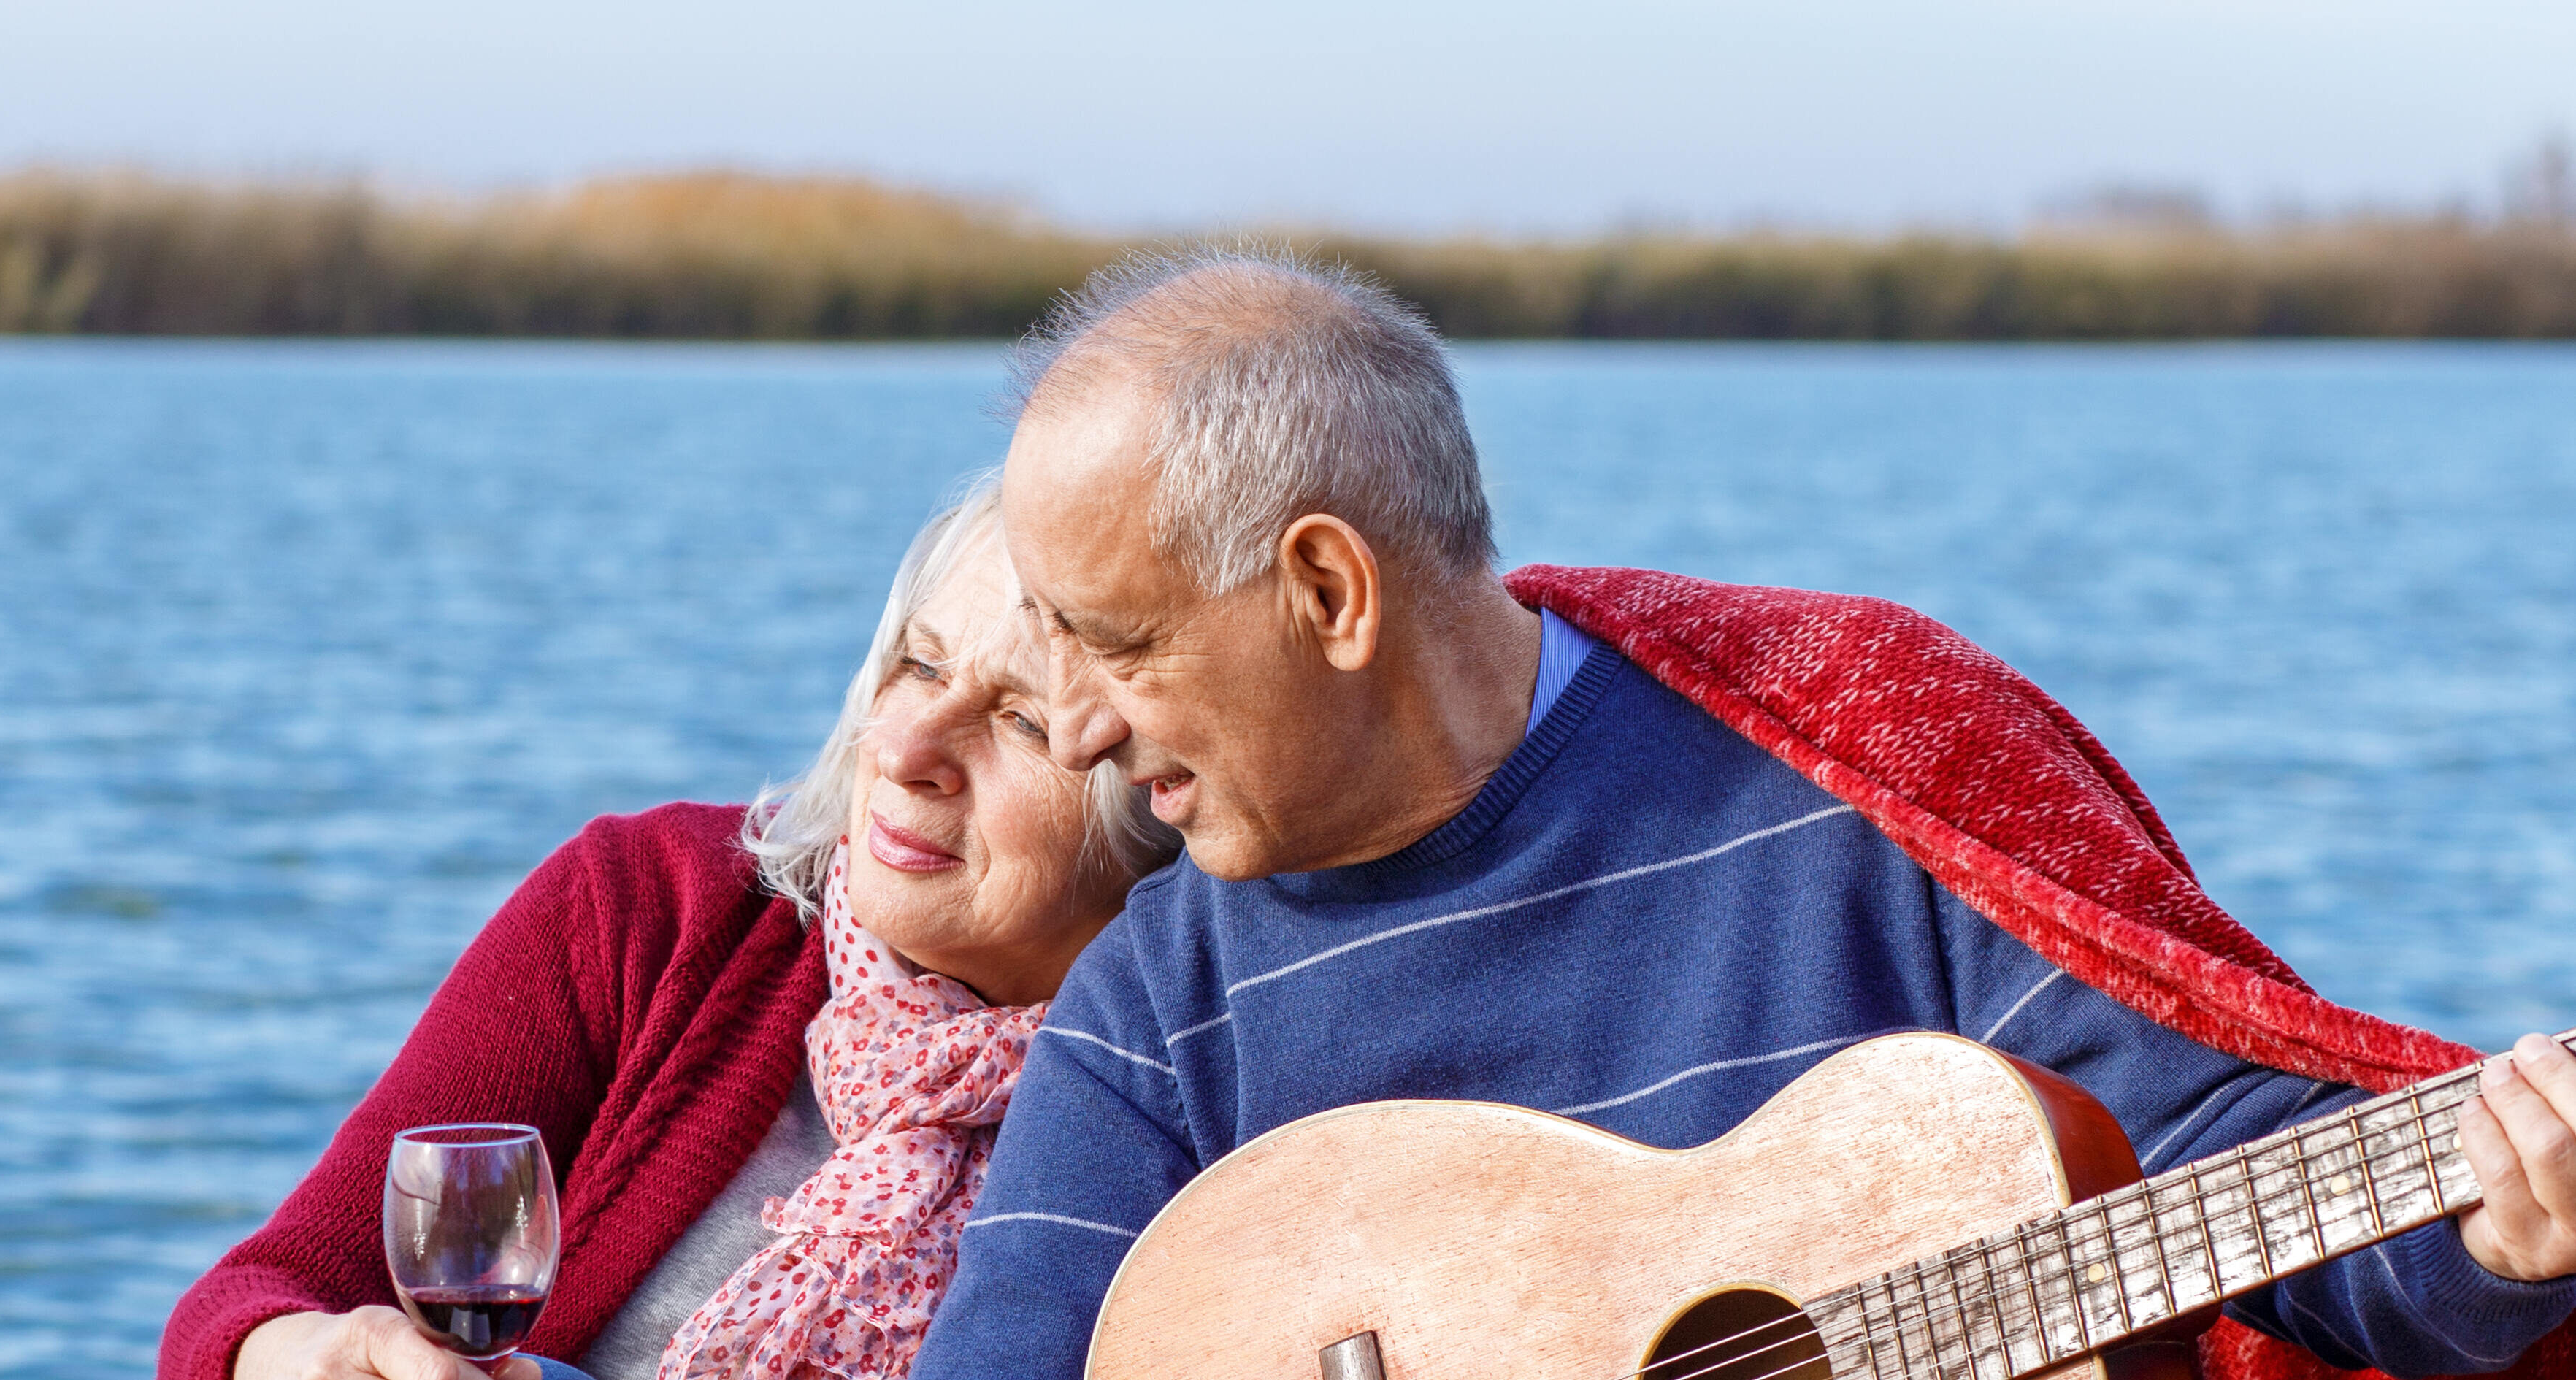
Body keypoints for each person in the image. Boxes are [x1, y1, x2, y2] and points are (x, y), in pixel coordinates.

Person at [910, 248, 2576, 1380]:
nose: (1071, 729)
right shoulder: (1161, 1004)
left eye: (1116, 646)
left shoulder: (1845, 758)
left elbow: (2226, 1186)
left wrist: (2502, 1239)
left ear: (1329, 592)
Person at [159, 480, 1178, 1380]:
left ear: (1161, 800)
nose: (908, 747)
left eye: (1023, 723)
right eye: (918, 666)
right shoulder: (655, 907)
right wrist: (298, 1355)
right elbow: (256, 1299)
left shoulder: (1202, 1078)